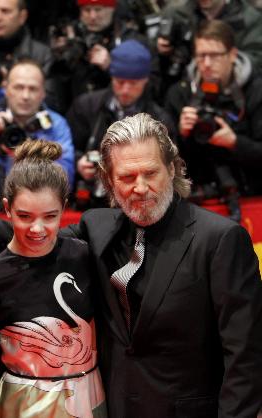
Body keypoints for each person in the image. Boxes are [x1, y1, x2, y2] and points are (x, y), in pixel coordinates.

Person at [65, 113, 262, 417]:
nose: (140, 187)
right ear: (109, 181)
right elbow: (36, 236)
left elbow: (246, 356)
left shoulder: (220, 239)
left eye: (150, 173)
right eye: (127, 177)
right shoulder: (96, 226)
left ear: (171, 169)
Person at [0, 140, 106, 417]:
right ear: (6, 208)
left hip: (90, 393)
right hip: (23, 402)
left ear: (64, 208)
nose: (37, 229)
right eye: (24, 216)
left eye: (50, 216)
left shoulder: (85, 257)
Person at [67, 39, 175, 209]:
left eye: (133, 84)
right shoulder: (86, 106)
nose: (125, 90)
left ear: (145, 80)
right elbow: (66, 148)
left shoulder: (161, 120)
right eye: (119, 82)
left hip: (140, 199)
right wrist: (78, 162)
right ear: (111, 77)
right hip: (89, 200)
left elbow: (170, 168)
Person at [165, 20, 262, 209]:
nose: (207, 64)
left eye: (215, 55)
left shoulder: (256, 91)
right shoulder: (180, 94)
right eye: (201, 56)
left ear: (232, 55)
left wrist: (235, 143)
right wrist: (181, 134)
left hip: (251, 197)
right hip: (197, 199)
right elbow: (164, 165)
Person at [0, 58, 74, 211]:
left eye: (32, 89)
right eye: (19, 87)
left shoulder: (56, 125)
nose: (25, 96)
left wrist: (29, 158)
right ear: (6, 89)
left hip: (34, 212)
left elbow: (66, 180)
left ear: (43, 93)